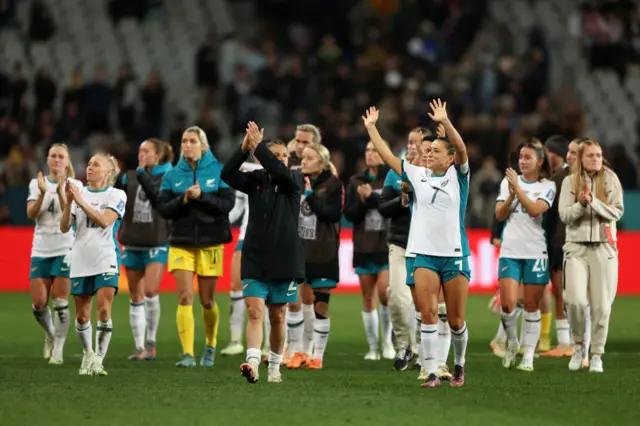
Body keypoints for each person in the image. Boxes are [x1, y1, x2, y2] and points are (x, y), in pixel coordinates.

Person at [363, 99, 470, 388]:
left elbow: (461, 149)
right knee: (428, 313)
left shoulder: (458, 177)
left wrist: (446, 122)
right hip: (423, 254)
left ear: (448, 159)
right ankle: (432, 371)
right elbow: (386, 155)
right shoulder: (415, 174)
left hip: (454, 255)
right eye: (427, 150)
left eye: (435, 150)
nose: (428, 153)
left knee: (457, 320)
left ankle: (459, 365)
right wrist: (372, 128)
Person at [221, 122, 305, 384]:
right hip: (255, 254)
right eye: (276, 154)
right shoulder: (256, 181)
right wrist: (243, 148)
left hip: (285, 256)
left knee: (278, 314)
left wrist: (260, 150)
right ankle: (254, 363)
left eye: (284, 155)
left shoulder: (294, 180)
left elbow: (279, 171)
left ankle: (275, 366)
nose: (281, 159)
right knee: (255, 311)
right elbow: (227, 174)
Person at [157, 126, 235, 368]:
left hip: (211, 243)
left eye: (192, 141)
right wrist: (183, 199)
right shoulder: (172, 175)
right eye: (184, 141)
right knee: (184, 296)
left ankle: (210, 346)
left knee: (207, 300)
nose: (187, 145)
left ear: (204, 145)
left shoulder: (219, 171)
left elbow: (227, 204)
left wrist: (202, 197)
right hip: (181, 243)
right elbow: (163, 208)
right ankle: (188, 354)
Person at [559, 139, 623, 373]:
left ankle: (596, 354)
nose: (596, 159)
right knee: (574, 301)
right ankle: (578, 346)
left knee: (602, 307)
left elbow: (617, 211)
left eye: (598, 155)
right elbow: (565, 215)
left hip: (604, 248)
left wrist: (593, 203)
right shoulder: (569, 181)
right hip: (576, 247)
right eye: (590, 156)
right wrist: (581, 205)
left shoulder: (611, 179)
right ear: (580, 158)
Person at [60, 153, 127, 376]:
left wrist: (79, 201)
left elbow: (104, 221)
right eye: (88, 164)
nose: (89, 168)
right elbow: (64, 227)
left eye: (95, 165)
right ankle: (88, 353)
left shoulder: (116, 194)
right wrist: (69, 202)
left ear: (108, 172)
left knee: (104, 309)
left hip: (106, 256)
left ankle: (99, 358)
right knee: (81, 316)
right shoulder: (80, 193)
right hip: (80, 257)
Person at [495, 139, 556, 372]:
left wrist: (517, 189)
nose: (522, 161)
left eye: (528, 157)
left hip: (535, 252)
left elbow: (535, 210)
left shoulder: (547, 186)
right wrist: (511, 194)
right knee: (508, 304)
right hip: (510, 251)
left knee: (532, 305)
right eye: (521, 157)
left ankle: (528, 355)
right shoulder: (507, 183)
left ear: (540, 161)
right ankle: (512, 342)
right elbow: (499, 215)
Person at [286, 143, 342, 370]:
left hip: (323, 251)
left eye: (309, 158)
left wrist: (310, 196)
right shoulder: (296, 180)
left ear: (321, 162)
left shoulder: (333, 185)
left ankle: (317, 355)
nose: (304, 162)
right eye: (303, 158)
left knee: (321, 306)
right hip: (300, 251)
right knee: (298, 302)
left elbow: (332, 214)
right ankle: (298, 351)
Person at [117, 139, 173, 361]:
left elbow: (159, 199)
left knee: (150, 290)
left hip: (157, 241)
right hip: (132, 242)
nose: (142, 154)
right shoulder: (128, 178)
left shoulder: (167, 178)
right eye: (140, 150)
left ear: (157, 155)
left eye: (147, 151)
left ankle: (152, 341)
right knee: (135, 296)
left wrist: (142, 175)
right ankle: (139, 347)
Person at [27, 143, 82, 365]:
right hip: (40, 248)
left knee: (60, 302)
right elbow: (31, 214)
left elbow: (70, 220)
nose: (57, 160)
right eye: (53, 156)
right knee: (39, 303)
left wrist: (61, 192)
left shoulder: (75, 185)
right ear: (48, 160)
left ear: (67, 161)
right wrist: (41, 194)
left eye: (61, 156)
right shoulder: (36, 183)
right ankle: (50, 334)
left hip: (65, 248)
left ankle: (58, 347)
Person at [378, 127, 427, 371]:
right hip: (400, 242)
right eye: (409, 141)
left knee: (423, 303)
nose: (411, 146)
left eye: (417, 142)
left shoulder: (433, 173)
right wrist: (404, 198)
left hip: (426, 246)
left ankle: (421, 350)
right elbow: (383, 207)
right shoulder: (395, 172)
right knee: (396, 297)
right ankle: (403, 345)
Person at [343, 141, 393, 361]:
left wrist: (371, 197)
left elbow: (392, 208)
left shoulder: (391, 178)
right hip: (363, 244)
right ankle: (373, 347)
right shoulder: (356, 181)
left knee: (385, 293)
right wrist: (362, 201)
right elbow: (349, 214)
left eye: (375, 150)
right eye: (368, 150)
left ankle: (388, 343)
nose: (371, 154)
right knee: (367, 297)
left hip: (386, 243)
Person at [220, 160, 263, 357]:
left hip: (275, 240)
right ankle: (235, 340)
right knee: (236, 286)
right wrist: (217, 220)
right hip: (247, 236)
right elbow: (238, 207)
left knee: (272, 292)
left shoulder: (284, 174)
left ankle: (271, 344)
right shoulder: (246, 169)